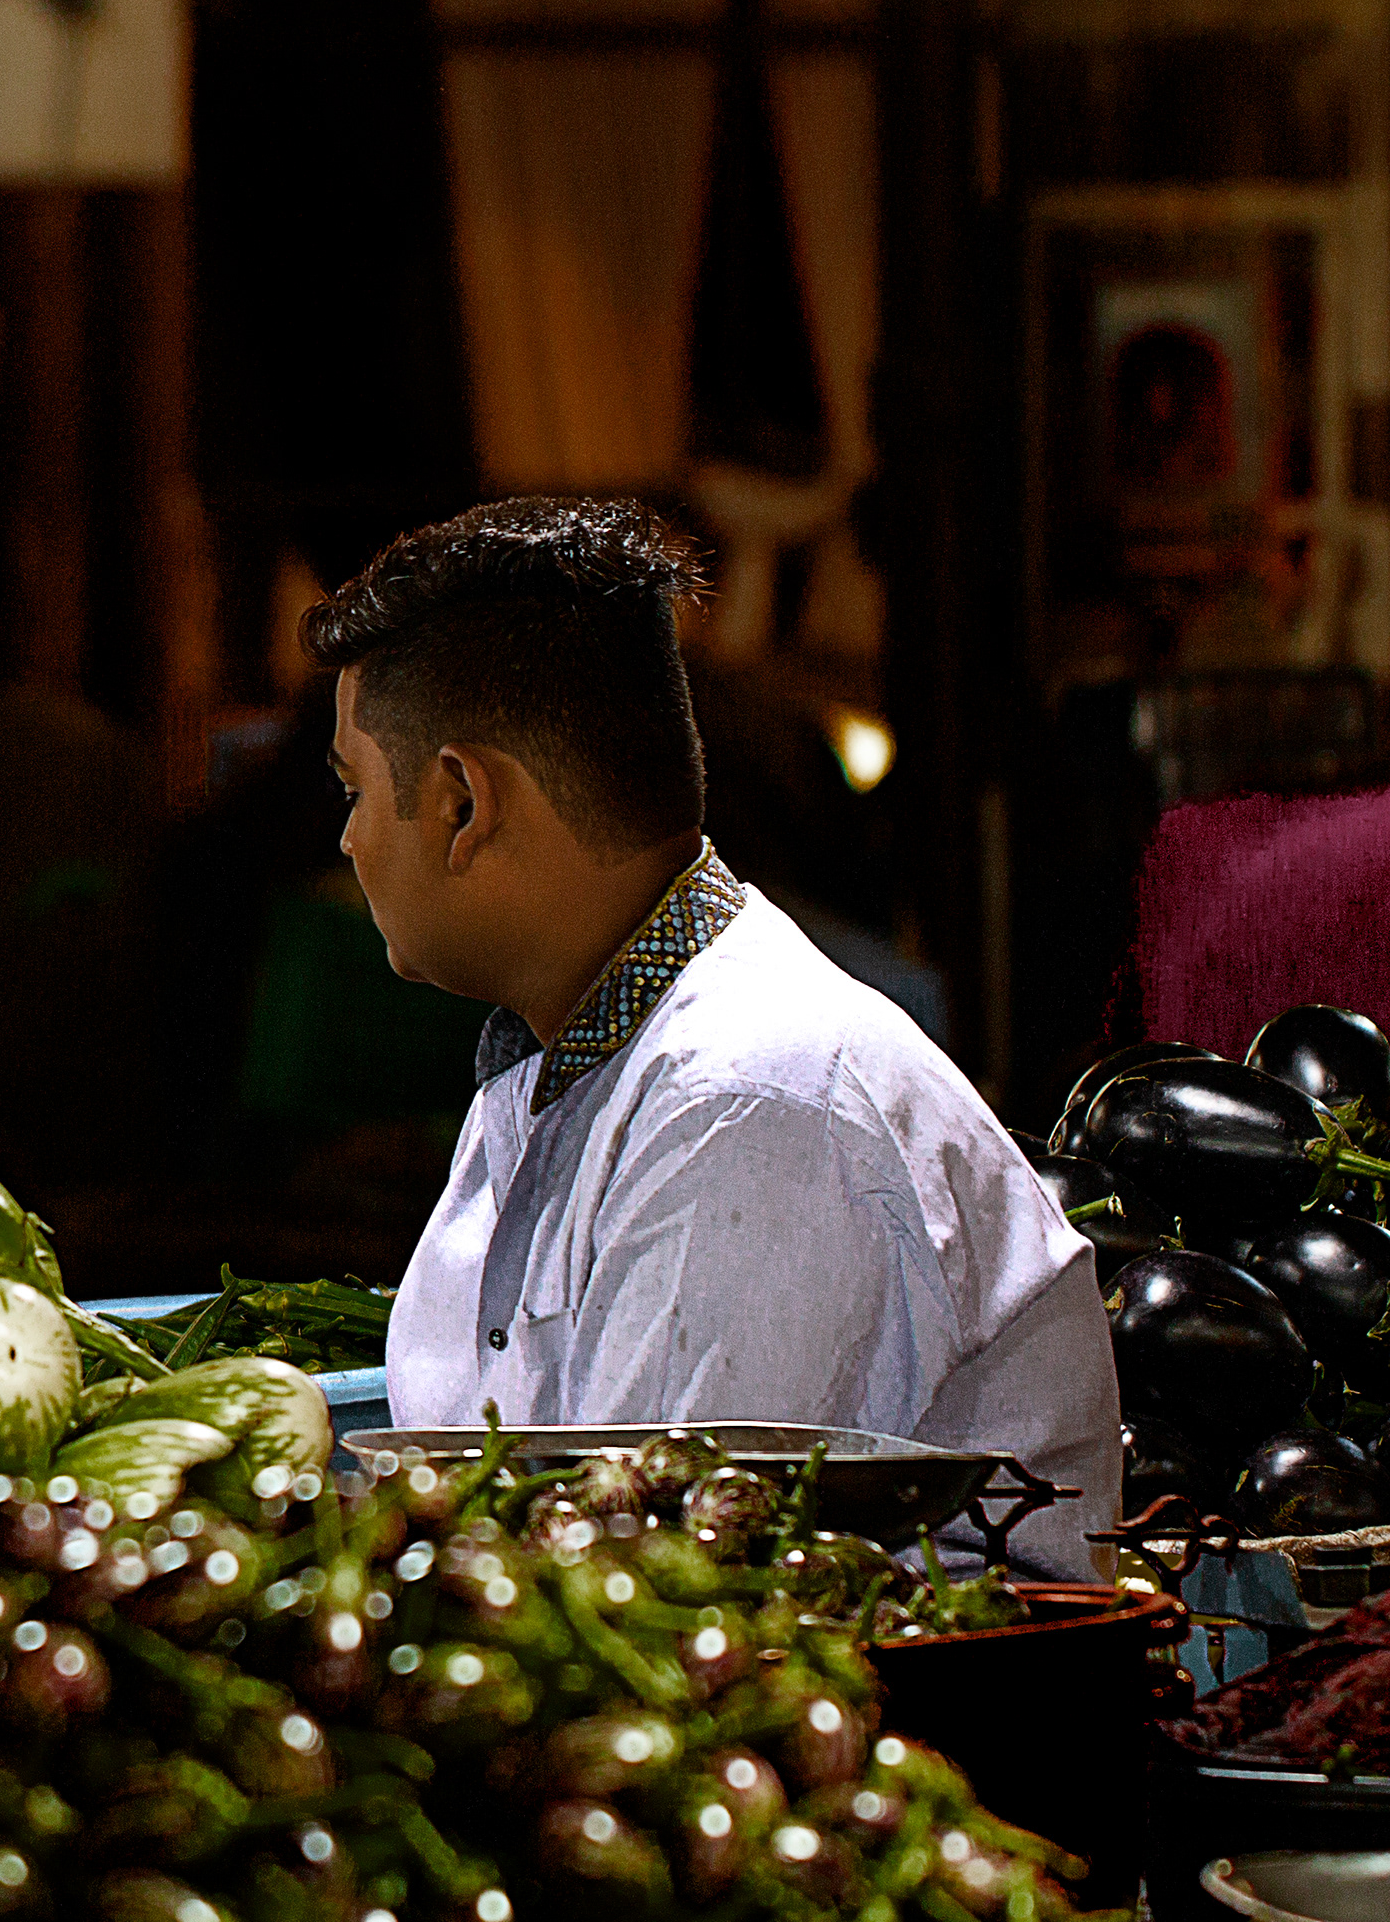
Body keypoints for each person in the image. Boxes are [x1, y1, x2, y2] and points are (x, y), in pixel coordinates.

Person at [313, 497, 1119, 1577]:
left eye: (357, 789)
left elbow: (647, 1584)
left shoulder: (753, 1101)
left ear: (462, 802)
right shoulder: (565, 1052)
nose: (349, 839)